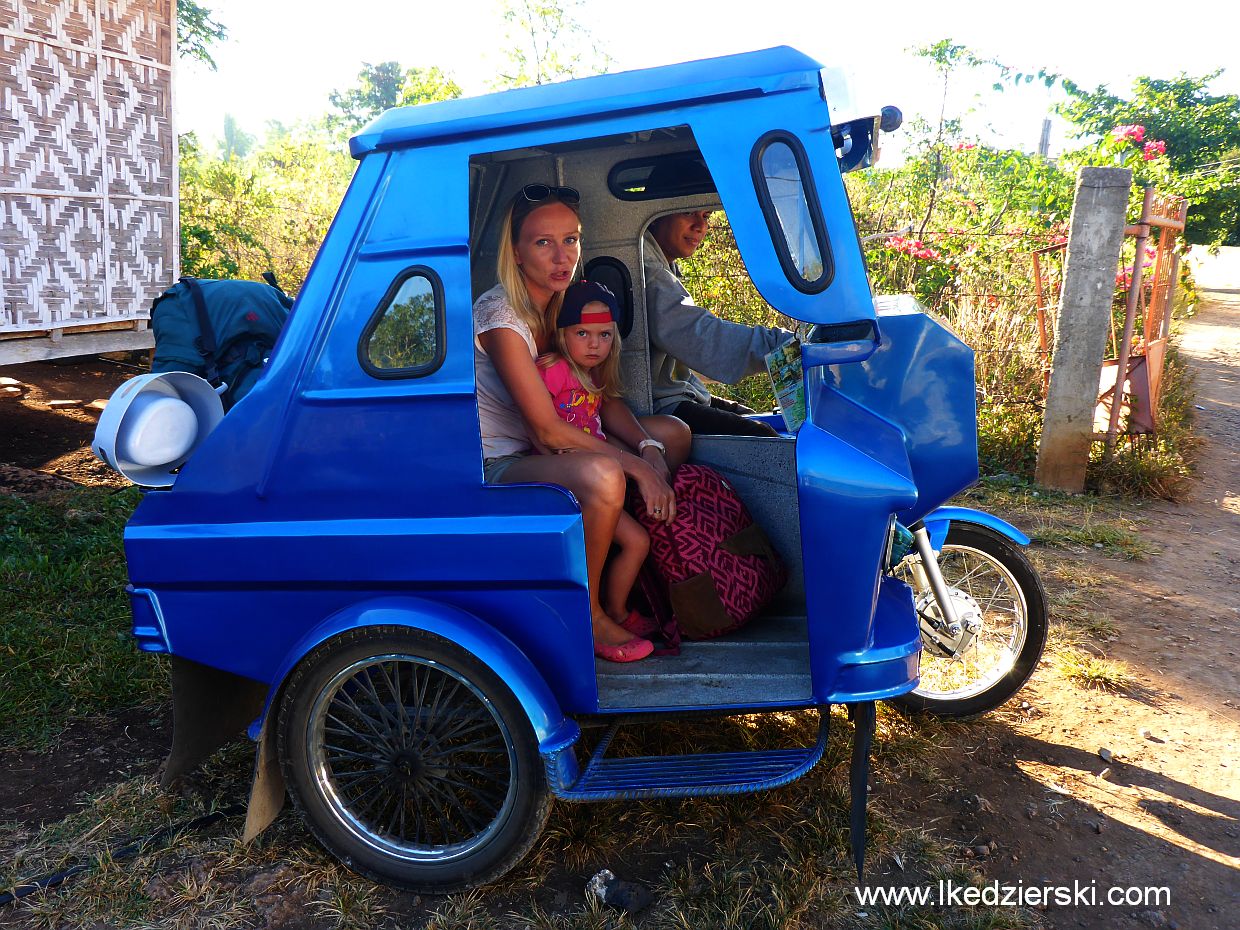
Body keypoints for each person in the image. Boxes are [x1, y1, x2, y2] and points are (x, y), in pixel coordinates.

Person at [473, 184, 691, 662]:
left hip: (559, 442)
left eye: (570, 240)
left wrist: (649, 448)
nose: (561, 256)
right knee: (607, 472)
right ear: (516, 252)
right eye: (542, 242)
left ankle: (631, 582)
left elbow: (598, 399)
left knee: (673, 433)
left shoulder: (565, 303)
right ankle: (586, 614)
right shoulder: (499, 318)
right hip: (507, 461)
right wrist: (637, 467)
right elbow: (547, 431)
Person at [533, 280, 657, 643]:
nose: (594, 344)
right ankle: (591, 613)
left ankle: (615, 610)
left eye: (604, 335)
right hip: (570, 473)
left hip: (599, 476)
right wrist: (554, 460)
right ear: (562, 332)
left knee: (638, 542)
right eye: (582, 332)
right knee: (632, 540)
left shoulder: (592, 375)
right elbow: (538, 428)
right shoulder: (552, 369)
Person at [644, 208, 796, 437]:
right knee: (764, 440)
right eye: (687, 212)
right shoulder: (649, 271)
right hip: (659, 407)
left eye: (706, 216)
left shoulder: (663, 263)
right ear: (656, 215)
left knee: (755, 417)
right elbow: (702, 339)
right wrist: (785, 346)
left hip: (679, 394)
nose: (700, 226)